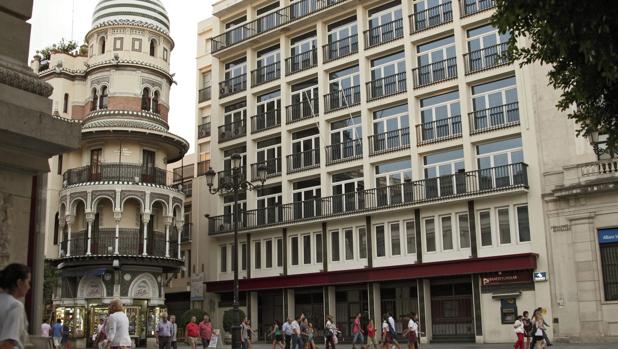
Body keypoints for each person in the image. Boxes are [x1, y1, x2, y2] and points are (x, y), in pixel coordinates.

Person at [0, 263, 31, 349]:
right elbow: (8, 343)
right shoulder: (15, 306)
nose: (29, 287)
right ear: (19, 283)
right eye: (28, 282)